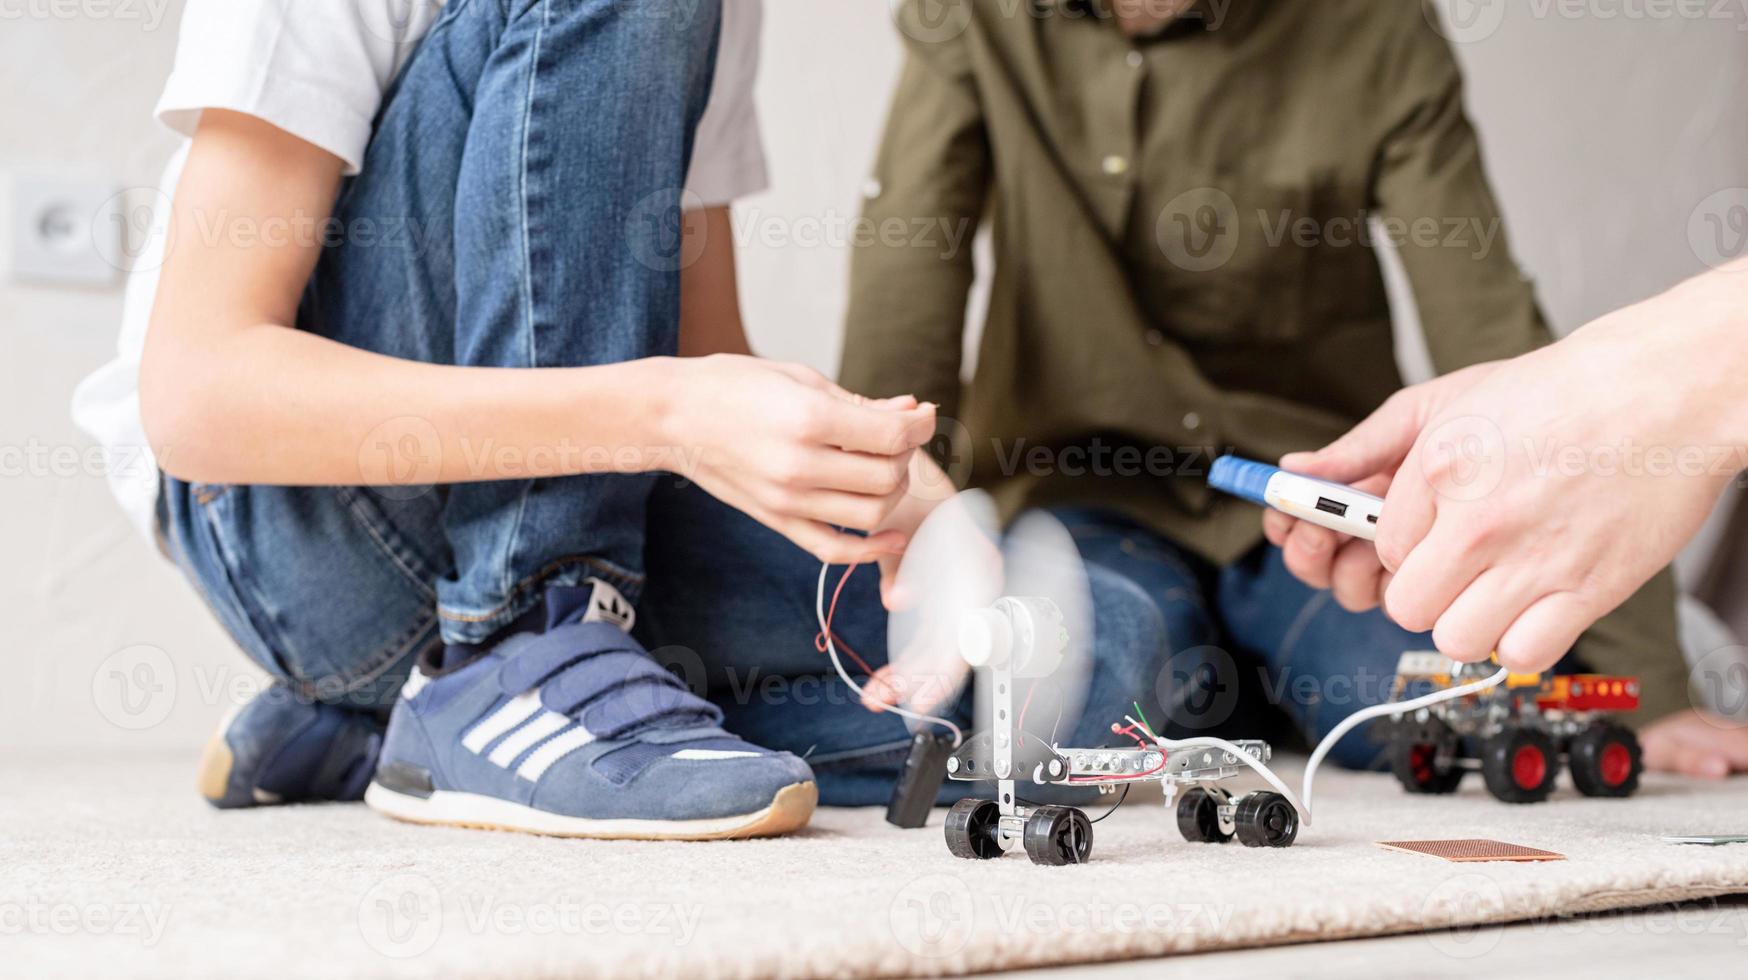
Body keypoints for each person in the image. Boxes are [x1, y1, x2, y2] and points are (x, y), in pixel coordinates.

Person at [71, 0, 1167, 838]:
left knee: (1090, 649)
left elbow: (690, 347)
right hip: (293, 528)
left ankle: (404, 713)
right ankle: (516, 644)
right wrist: (668, 413)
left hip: (580, 521)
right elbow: (198, 396)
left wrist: (870, 484)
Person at [840, 0, 1694, 767]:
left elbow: (1490, 328)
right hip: (1082, 490)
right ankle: (1238, 685)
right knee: (1101, 669)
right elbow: (911, 264)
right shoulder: (970, 16)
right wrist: (896, 531)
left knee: (1433, 702)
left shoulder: (1376, 28)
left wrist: (1649, 687)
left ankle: (1261, 679)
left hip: (1312, 505)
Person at [1266, 257, 1748, 777]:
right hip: (1170, 513)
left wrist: (1654, 687)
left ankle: (1670, 630)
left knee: (1397, 690)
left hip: (1318, 525)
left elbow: (1478, 304)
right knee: (1168, 668)